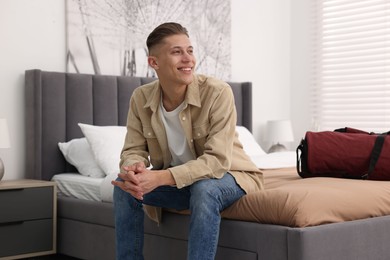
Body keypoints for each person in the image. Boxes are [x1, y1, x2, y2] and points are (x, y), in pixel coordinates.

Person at [112, 22, 264, 260]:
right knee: (124, 188)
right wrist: (135, 169)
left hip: (231, 175)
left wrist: (159, 177)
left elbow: (217, 161)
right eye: (177, 52)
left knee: (204, 190)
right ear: (154, 63)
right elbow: (133, 149)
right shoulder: (140, 98)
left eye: (190, 51)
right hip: (182, 184)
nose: (188, 59)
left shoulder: (217, 92)